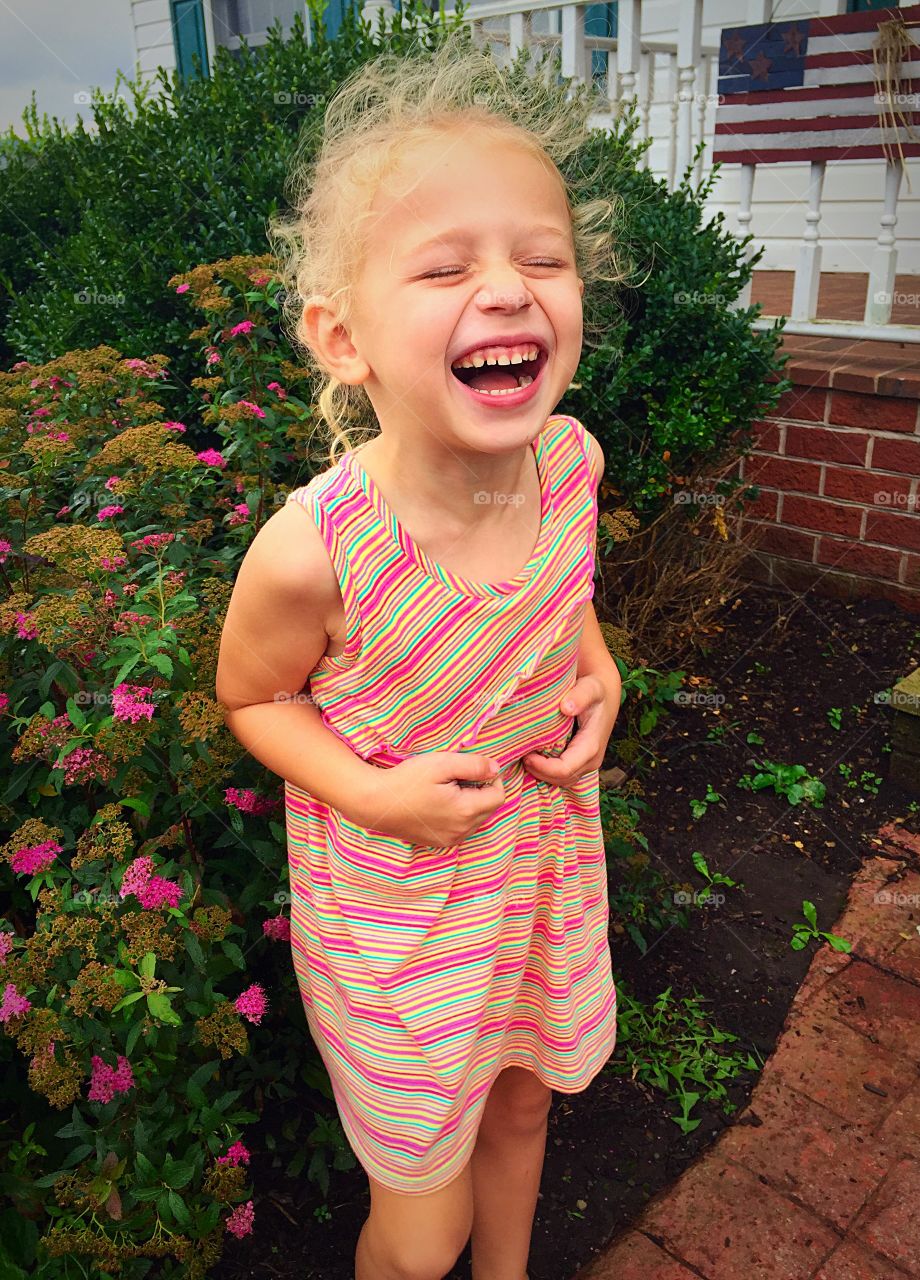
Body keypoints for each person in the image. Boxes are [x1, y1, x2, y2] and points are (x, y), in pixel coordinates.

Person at [216, 28, 627, 1280]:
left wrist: (597, 665)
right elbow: (250, 695)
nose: (507, 288)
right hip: (401, 905)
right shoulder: (316, 550)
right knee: (421, 1218)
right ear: (343, 339)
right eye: (446, 266)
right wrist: (373, 791)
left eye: (540, 258)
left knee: (522, 1101)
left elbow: (564, 598)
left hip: (539, 861)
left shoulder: (572, 466)